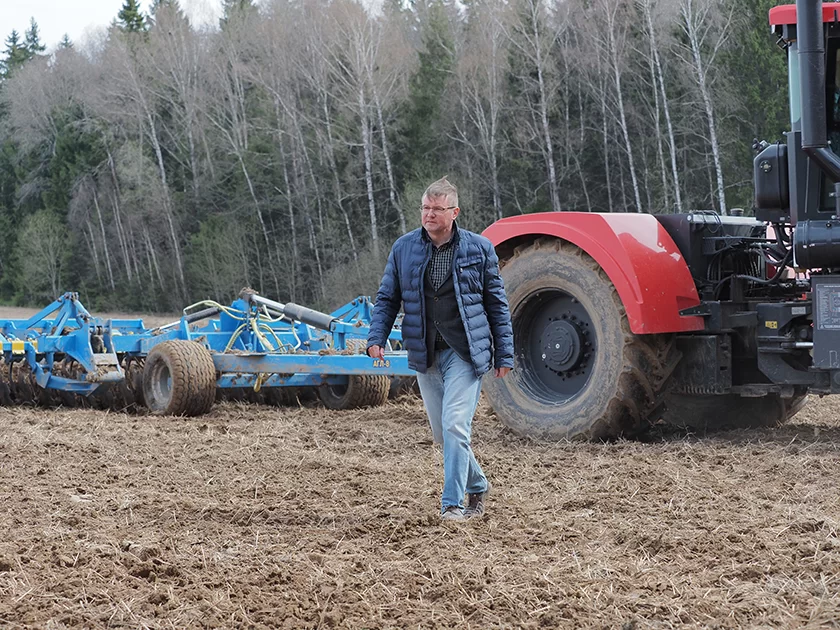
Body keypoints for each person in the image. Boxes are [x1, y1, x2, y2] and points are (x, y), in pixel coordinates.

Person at [366, 177, 514, 521]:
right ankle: (478, 484)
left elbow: (497, 305)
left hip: (465, 353)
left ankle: (452, 505)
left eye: (437, 209)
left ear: (454, 212)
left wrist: (504, 353)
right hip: (425, 353)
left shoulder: (479, 248)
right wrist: (376, 338)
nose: (429, 214)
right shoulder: (404, 248)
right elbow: (387, 298)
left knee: (455, 426)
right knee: (444, 434)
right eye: (425, 208)